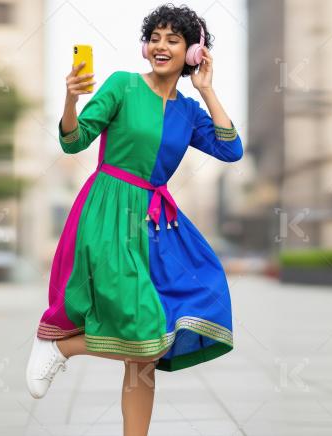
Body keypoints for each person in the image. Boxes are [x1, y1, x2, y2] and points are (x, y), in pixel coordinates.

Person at [25, 4, 243, 435]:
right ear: (145, 46)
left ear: (193, 53)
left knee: (151, 348)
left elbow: (230, 149)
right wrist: (71, 98)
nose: (161, 46)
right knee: (144, 332)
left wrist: (206, 90)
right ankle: (61, 347)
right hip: (110, 213)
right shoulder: (122, 85)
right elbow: (74, 141)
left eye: (173, 40)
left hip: (157, 225)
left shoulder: (187, 111)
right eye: (155, 37)